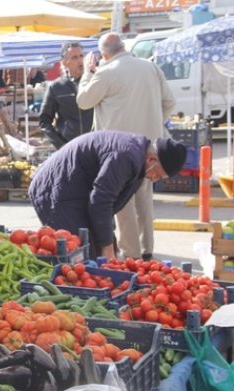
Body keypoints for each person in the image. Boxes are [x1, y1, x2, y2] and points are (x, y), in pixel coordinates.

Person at [77, 32, 176, 260]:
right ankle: (147, 249)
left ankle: (131, 255)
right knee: (144, 197)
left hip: (119, 150)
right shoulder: (150, 68)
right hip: (150, 146)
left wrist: (87, 73)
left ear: (103, 54)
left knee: (123, 202)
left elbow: (83, 101)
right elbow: (169, 102)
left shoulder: (106, 73)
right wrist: (153, 123)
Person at [29, 131, 186, 259]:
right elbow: (100, 201)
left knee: (96, 252)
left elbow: (108, 203)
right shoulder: (125, 156)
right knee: (77, 254)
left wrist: (107, 242)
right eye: (158, 175)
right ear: (152, 159)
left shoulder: (138, 161)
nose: (154, 179)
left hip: (77, 190)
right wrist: (107, 246)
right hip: (55, 190)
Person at [39, 42, 93, 149]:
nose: (80, 60)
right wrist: (61, 144)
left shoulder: (95, 81)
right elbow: (44, 121)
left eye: (81, 56)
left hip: (94, 143)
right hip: (70, 146)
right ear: (65, 63)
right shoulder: (56, 87)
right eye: (74, 57)